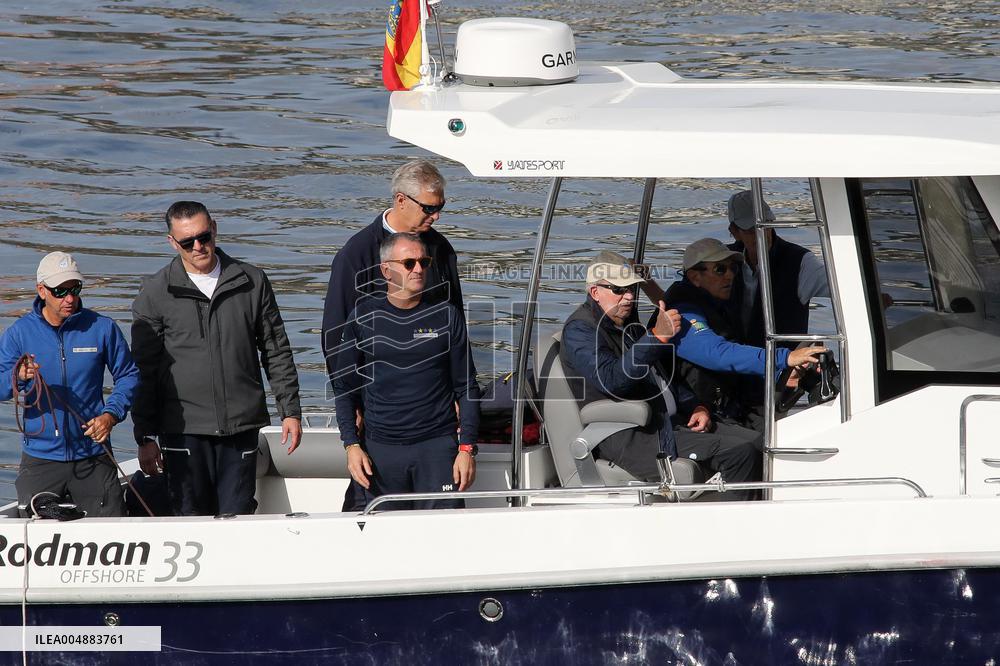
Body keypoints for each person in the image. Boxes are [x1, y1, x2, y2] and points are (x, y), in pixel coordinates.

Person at [131, 201, 302, 516]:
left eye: (204, 237)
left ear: (214, 229)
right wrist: (144, 434)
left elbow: (275, 348)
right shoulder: (155, 291)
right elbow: (144, 369)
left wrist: (290, 410)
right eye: (187, 242)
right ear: (172, 242)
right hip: (182, 431)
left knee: (237, 516)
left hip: (241, 427)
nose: (198, 247)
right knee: (188, 518)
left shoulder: (252, 281)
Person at [321, 160, 466, 511]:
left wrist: (460, 394)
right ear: (401, 200)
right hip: (379, 410)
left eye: (440, 207)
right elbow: (335, 333)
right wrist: (351, 404)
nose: (436, 216)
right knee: (370, 502)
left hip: (433, 411)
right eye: (429, 208)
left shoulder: (441, 249)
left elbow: (455, 317)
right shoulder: (356, 253)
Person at [559, 251, 762, 501]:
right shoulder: (580, 330)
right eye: (618, 289)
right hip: (631, 434)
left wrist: (695, 405)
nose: (629, 297)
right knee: (740, 454)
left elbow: (661, 377)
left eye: (632, 288)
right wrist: (655, 338)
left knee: (759, 442)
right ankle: (729, 532)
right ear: (595, 292)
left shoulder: (626, 324)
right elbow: (611, 380)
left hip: (667, 420)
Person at [331, 232, 479, 511]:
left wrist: (467, 448)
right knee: (384, 542)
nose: (419, 269)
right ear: (386, 270)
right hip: (381, 451)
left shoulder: (447, 316)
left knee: (443, 539)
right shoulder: (363, 317)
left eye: (424, 262)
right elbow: (344, 388)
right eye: (409, 263)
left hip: (436, 449)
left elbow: (467, 387)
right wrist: (351, 445)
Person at [0, 252, 139, 517]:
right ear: (41, 290)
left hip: (94, 454)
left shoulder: (102, 328)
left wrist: (111, 415)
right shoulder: (19, 334)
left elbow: (129, 375)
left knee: (113, 536)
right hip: (40, 459)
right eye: (60, 291)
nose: (70, 298)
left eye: (75, 288)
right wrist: (16, 377)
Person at [655, 238, 827, 431]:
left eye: (733, 268)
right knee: (756, 445)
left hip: (727, 405)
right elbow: (718, 353)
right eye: (720, 269)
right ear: (695, 277)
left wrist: (787, 375)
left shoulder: (714, 304)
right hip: (694, 413)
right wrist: (785, 358)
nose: (729, 275)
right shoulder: (682, 315)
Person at [726, 190, 830, 348]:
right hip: (732, 364)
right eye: (751, 229)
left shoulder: (801, 262)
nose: (760, 234)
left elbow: (850, 292)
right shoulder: (722, 260)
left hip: (784, 367)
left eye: (766, 225)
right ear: (734, 232)